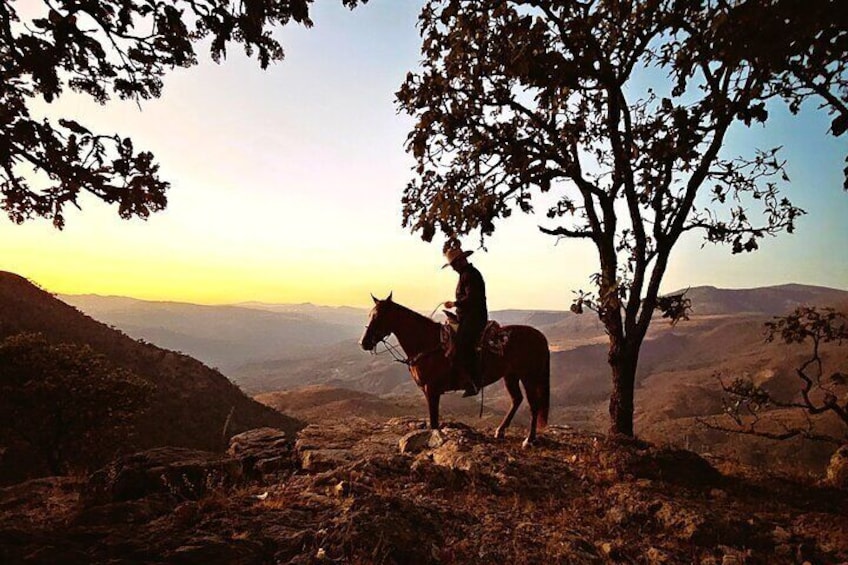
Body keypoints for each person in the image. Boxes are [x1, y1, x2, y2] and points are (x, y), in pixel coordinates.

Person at [442, 245, 488, 397]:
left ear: (461, 261)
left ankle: (475, 382)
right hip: (466, 317)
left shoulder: (470, 275)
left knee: (463, 344)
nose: (453, 268)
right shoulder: (466, 274)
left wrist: (455, 304)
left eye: (454, 264)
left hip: (475, 318)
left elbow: (472, 299)